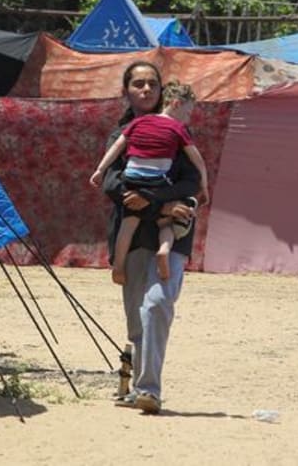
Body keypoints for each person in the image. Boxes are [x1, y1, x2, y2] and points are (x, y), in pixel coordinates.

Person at [101, 61, 201, 415]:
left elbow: (193, 180)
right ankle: (134, 383)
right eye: (138, 84)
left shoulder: (177, 131)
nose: (145, 89)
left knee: (156, 305)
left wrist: (158, 200)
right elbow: (110, 180)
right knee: (136, 318)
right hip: (132, 235)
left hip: (171, 233)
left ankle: (148, 390)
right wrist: (153, 200)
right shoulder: (122, 133)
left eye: (152, 84)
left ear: (162, 91)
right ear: (126, 91)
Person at [90, 81, 208, 285]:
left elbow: (118, 146)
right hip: (157, 180)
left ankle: (118, 266)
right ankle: (164, 249)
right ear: (176, 104)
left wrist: (100, 170)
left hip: (131, 179)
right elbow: (197, 160)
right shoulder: (178, 128)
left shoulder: (139, 122)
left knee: (127, 226)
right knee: (166, 222)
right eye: (188, 112)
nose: (188, 118)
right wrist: (204, 184)